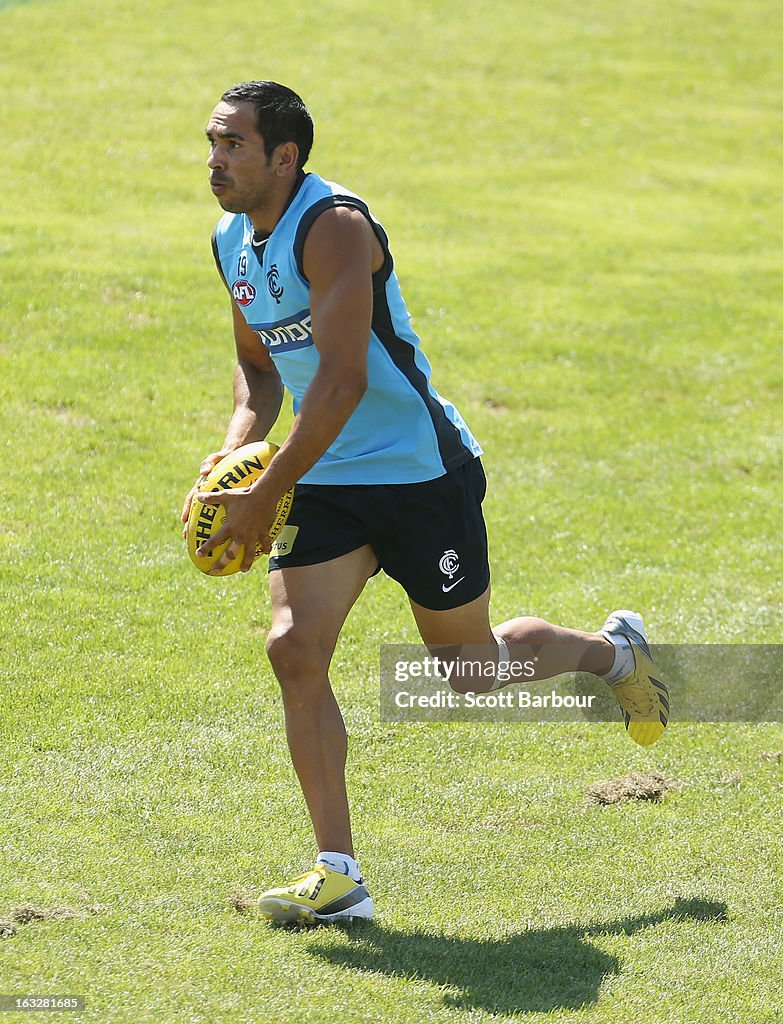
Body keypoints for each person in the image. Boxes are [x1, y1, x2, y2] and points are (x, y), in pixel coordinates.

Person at [181, 81, 669, 926]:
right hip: (327, 475)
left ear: (283, 157)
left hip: (417, 472)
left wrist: (264, 492)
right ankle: (339, 876)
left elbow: (341, 381)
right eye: (212, 143)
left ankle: (612, 653)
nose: (214, 160)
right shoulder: (231, 239)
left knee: (467, 671)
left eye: (233, 146)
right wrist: (236, 444)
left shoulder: (334, 228)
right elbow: (262, 369)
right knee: (294, 651)